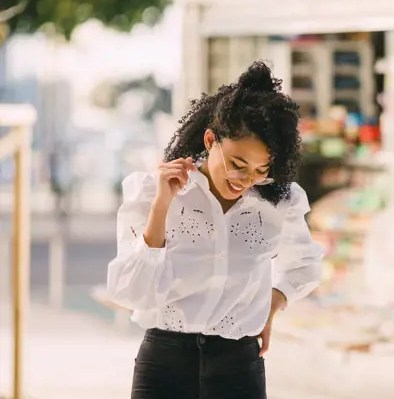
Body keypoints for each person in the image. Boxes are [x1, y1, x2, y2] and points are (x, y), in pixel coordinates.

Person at [106, 61, 325, 399]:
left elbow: (304, 264)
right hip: (165, 365)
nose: (244, 180)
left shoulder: (279, 202)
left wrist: (271, 305)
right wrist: (161, 207)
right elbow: (129, 292)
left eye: (259, 170)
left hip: (239, 367)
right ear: (211, 140)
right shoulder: (154, 191)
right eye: (237, 164)